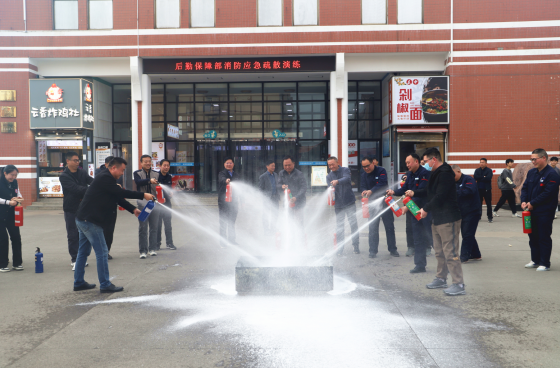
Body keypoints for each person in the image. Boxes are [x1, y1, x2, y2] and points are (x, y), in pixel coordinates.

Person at [74, 157, 154, 293]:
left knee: (83, 251)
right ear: (113, 168)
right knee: (102, 252)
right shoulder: (104, 178)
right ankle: (105, 284)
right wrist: (143, 195)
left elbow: (117, 197)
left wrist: (133, 209)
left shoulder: (108, 179)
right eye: (122, 170)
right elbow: (121, 193)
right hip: (90, 221)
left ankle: (79, 282)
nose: (123, 173)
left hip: (83, 218)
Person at [406, 148, 465, 296]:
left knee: (450, 252)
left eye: (426, 161)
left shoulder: (445, 174)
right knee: (439, 252)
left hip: (448, 218)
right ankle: (441, 278)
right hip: (437, 218)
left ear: (434, 160)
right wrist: (415, 193)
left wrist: (425, 209)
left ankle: (458, 283)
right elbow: (429, 191)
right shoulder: (434, 173)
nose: (424, 164)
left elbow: (440, 196)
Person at [387, 153, 430, 272]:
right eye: (406, 163)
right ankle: (420, 265)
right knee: (417, 238)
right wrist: (393, 192)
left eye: (408, 162)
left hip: (425, 211)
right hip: (414, 212)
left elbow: (421, 193)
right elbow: (404, 190)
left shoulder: (425, 174)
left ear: (416, 161)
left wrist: (406, 207)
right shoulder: (410, 175)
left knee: (431, 237)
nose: (407, 165)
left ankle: (445, 264)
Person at [521, 149, 560, 272]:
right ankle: (535, 260)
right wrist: (524, 201)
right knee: (532, 235)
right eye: (531, 159)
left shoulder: (552, 174)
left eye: (535, 159)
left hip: (545, 211)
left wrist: (533, 202)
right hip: (530, 210)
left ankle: (544, 263)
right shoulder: (532, 172)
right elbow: (525, 188)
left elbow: (548, 193)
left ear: (544, 158)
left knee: (543, 236)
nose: (533, 161)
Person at [60, 152, 94, 270]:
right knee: (73, 234)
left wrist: (100, 185)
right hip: (71, 208)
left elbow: (91, 181)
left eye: (78, 160)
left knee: (84, 233)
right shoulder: (64, 176)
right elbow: (75, 189)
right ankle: (74, 259)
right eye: (75, 160)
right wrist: (89, 190)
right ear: (68, 161)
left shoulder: (82, 172)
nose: (77, 162)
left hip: (84, 207)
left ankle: (82, 257)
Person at [360, 156, 399, 258]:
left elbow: (382, 184)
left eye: (367, 166)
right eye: (363, 167)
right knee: (372, 228)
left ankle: (393, 249)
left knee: (389, 227)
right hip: (372, 204)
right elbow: (363, 185)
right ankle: (372, 251)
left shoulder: (381, 170)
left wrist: (371, 191)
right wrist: (364, 190)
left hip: (385, 202)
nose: (366, 168)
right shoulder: (364, 175)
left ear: (373, 163)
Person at [326, 157, 359, 256]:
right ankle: (340, 248)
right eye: (329, 165)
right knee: (339, 227)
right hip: (339, 205)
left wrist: (337, 181)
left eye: (333, 164)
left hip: (349, 202)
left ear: (337, 162)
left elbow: (347, 178)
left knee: (353, 224)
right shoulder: (329, 176)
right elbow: (330, 189)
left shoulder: (345, 170)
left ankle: (356, 246)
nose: (331, 166)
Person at [452, 165, 482, 263]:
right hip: (462, 212)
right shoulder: (453, 182)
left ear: (459, 172)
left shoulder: (468, 179)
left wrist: (455, 192)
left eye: (453, 174)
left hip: (473, 211)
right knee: (468, 233)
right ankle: (476, 254)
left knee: (467, 233)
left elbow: (469, 191)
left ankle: (464, 257)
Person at [134, 155, 161, 258]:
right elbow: (138, 182)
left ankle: (152, 249)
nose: (148, 163)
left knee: (154, 227)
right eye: (145, 161)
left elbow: (160, 187)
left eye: (149, 161)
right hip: (142, 204)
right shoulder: (137, 173)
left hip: (154, 204)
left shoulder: (156, 174)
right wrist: (149, 180)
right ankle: (143, 251)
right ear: (141, 163)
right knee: (143, 228)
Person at [0, 165, 23, 272]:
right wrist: (8, 202)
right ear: (5, 173)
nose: (13, 177)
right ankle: (3, 264)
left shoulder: (15, 182)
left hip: (12, 214)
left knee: (16, 237)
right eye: (11, 175)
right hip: (1, 214)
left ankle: (17, 263)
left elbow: (18, 193)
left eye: (15, 175)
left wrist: (18, 198)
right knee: (3, 239)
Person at [277, 156, 307, 224]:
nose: (287, 167)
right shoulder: (281, 173)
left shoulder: (299, 174)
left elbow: (304, 187)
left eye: (289, 165)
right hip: (287, 203)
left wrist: (296, 197)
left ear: (293, 164)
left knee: (299, 222)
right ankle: (289, 234)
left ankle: (300, 234)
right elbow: (278, 185)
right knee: (288, 221)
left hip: (299, 202)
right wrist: (282, 186)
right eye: (285, 165)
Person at [218, 157, 240, 247]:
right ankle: (223, 242)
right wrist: (226, 181)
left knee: (231, 222)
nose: (229, 164)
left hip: (234, 203)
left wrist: (242, 201)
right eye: (227, 163)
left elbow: (239, 188)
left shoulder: (237, 174)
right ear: (224, 164)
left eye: (230, 163)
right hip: (224, 203)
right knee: (223, 222)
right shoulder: (222, 173)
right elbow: (222, 179)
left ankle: (232, 240)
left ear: (233, 164)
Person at [156, 159, 176, 250]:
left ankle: (169, 243)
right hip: (158, 203)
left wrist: (171, 193)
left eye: (168, 165)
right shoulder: (156, 176)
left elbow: (169, 188)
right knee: (158, 224)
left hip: (167, 203)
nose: (166, 167)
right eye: (164, 165)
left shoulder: (169, 176)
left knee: (168, 224)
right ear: (160, 166)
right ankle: (157, 244)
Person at [258, 159, 280, 232]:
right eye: (272, 166)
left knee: (275, 214)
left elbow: (277, 185)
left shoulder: (276, 175)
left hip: (275, 198)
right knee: (266, 214)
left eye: (274, 166)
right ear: (267, 166)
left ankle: (273, 228)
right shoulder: (263, 177)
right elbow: (260, 189)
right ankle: (266, 230)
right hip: (267, 199)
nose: (273, 167)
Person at [474, 158, 494, 223]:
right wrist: (484, 177)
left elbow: (488, 178)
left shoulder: (489, 170)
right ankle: (478, 217)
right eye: (480, 162)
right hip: (479, 189)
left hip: (487, 190)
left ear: (486, 163)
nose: (481, 163)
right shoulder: (477, 170)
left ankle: (490, 217)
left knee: (488, 204)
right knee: (478, 204)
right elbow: (475, 177)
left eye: (483, 162)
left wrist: (481, 178)